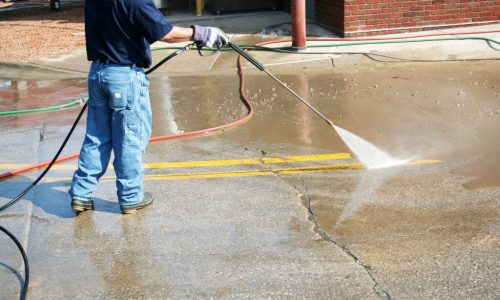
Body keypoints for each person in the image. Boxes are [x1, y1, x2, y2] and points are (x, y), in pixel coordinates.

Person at [69, 0, 228, 214]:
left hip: (97, 73)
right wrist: (200, 33)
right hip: (124, 77)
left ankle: (81, 193)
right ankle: (131, 197)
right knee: (129, 139)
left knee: (97, 137)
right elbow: (165, 33)